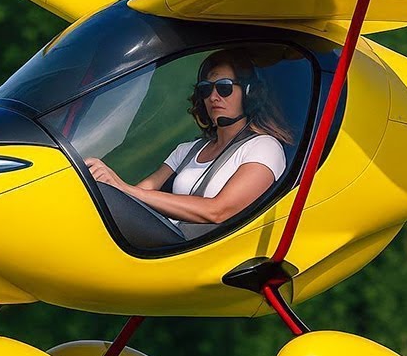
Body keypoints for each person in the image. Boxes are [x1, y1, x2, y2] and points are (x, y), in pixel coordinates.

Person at [84, 49, 292, 226]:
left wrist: (124, 188)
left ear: (249, 93)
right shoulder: (187, 150)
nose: (213, 96)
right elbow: (141, 192)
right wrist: (105, 183)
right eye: (206, 89)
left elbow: (218, 211)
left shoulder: (264, 147)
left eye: (224, 87)